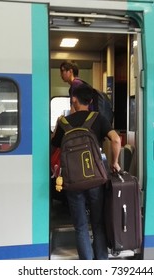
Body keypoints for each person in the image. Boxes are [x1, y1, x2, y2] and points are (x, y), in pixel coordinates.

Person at [51, 84, 121, 260]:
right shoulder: (97, 118)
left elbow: (55, 145)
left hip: (73, 182)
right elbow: (116, 140)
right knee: (97, 225)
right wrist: (115, 163)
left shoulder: (63, 123)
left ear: (73, 100)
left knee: (81, 226)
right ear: (90, 101)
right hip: (95, 179)